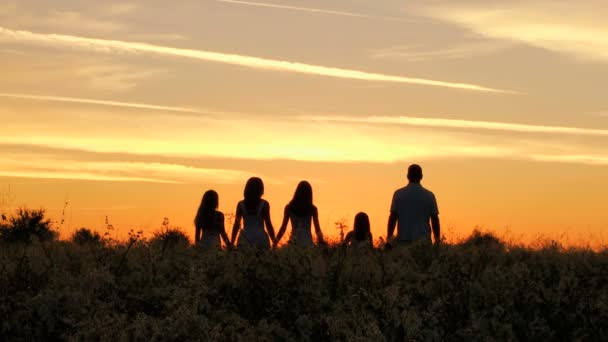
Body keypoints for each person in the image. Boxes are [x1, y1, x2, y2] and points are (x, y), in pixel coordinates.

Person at [387, 164, 440, 246]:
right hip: (423, 242)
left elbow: (393, 217)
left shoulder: (398, 194)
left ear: (407, 176)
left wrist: (389, 238)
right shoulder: (429, 195)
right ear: (421, 176)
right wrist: (437, 240)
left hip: (403, 241)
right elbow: (435, 219)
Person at [275, 181, 325, 247]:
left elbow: (283, 228)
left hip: (294, 242)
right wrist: (322, 242)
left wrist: (275, 242)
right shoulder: (312, 209)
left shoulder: (289, 208)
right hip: (308, 242)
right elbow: (317, 229)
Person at [231, 177, 276, 249]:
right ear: (261, 189)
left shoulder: (241, 204)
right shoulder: (264, 204)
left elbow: (236, 224)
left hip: (245, 237)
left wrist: (232, 242)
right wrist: (274, 241)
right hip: (260, 237)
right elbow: (268, 224)